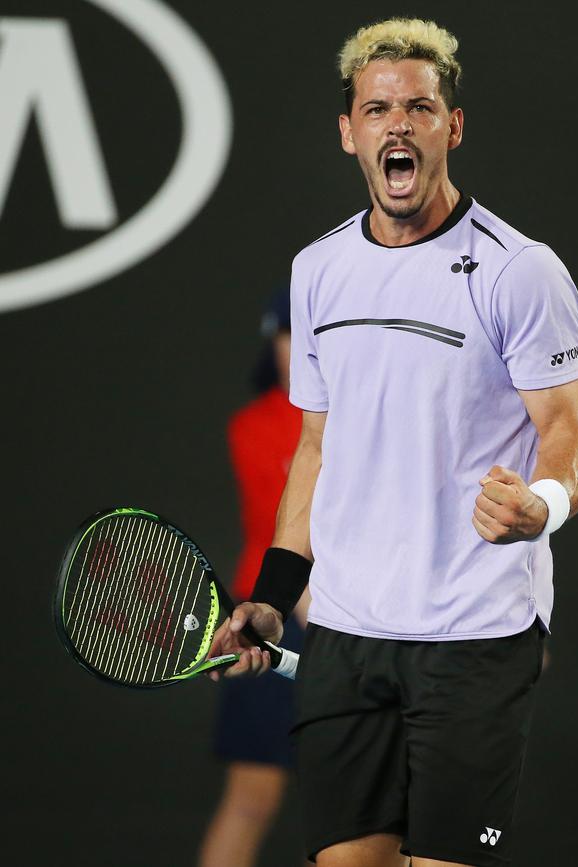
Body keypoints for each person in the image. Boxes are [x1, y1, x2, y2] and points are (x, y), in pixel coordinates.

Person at [208, 17, 578, 867]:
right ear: (350, 132)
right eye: (378, 108)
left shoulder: (519, 270)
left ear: (450, 128)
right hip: (347, 637)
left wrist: (545, 503)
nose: (398, 124)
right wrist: (274, 596)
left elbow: (569, 431)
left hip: (478, 634)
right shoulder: (318, 272)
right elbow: (316, 449)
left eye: (419, 107)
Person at [198, 289, 309, 867]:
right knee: (251, 798)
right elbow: (288, 534)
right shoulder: (254, 426)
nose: (297, 349)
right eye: (286, 336)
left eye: (309, 334)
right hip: (270, 621)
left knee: (360, 806)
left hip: (358, 622)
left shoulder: (370, 415)